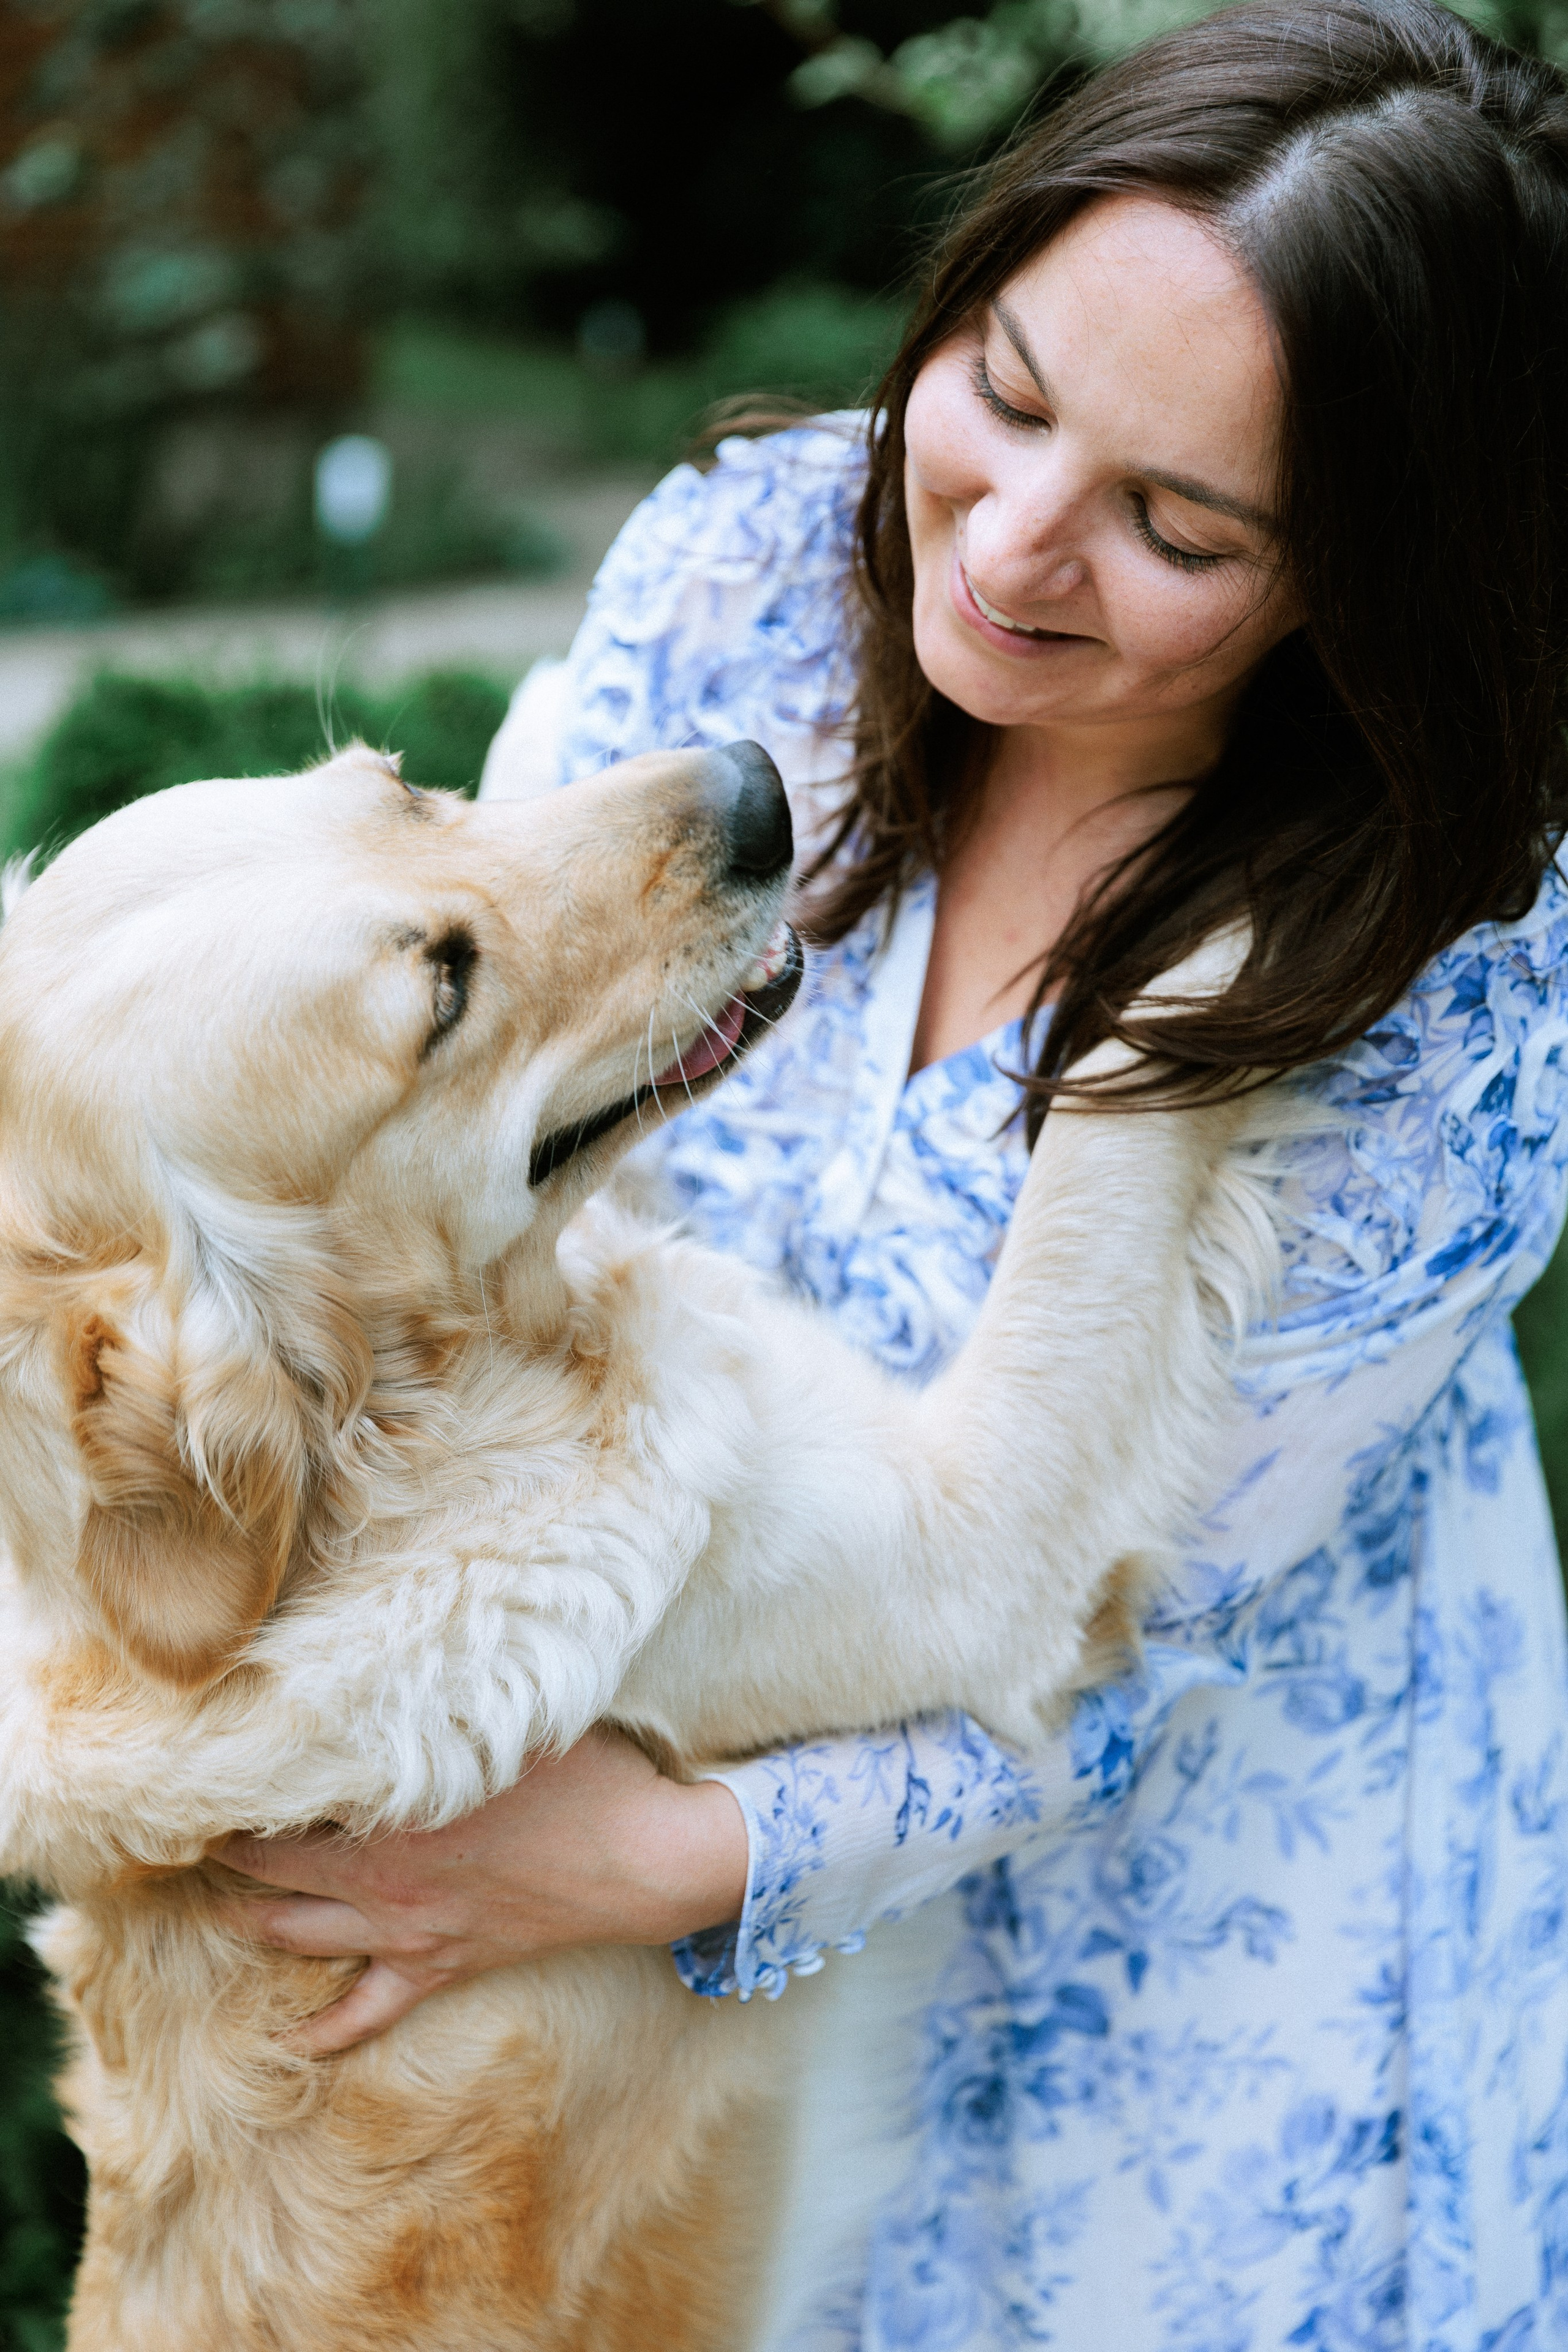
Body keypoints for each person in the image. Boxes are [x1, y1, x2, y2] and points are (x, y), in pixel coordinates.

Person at [222, 2, 1568, 2340]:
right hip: (628, 1852)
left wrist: (658, 1856)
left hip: (1178, 1930)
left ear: (1375, 578)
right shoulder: (747, 562)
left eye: (1180, 526)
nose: (1016, 548)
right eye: (1013, 394)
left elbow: (1140, 1629)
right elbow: (472, 1151)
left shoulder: (1467, 971)